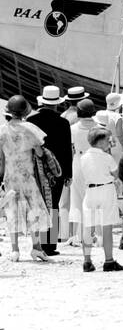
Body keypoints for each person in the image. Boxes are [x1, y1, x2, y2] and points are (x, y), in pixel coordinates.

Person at [0, 95, 56, 263]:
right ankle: (37, 248)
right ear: (24, 111)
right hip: (27, 176)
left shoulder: (2, 130)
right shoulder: (29, 128)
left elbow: (1, 158)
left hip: (10, 177)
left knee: (12, 212)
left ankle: (15, 250)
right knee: (34, 211)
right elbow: (39, 152)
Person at [30, 85, 72, 256]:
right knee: (53, 205)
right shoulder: (63, 122)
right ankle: (50, 245)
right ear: (56, 104)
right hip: (57, 170)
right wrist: (68, 173)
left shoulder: (31, 121)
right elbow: (66, 149)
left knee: (37, 206)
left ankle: (37, 243)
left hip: (35, 169)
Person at [79, 130, 123, 273]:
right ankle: (109, 260)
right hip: (105, 189)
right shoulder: (107, 157)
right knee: (106, 227)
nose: (109, 142)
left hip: (90, 191)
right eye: (107, 140)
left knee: (88, 227)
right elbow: (116, 174)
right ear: (100, 142)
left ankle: (87, 261)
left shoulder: (83, 157)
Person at [66, 98, 98, 247]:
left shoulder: (72, 129)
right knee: (92, 199)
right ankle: (92, 234)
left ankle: (76, 235)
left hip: (77, 161)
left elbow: (69, 148)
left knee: (76, 199)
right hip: (94, 161)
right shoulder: (99, 127)